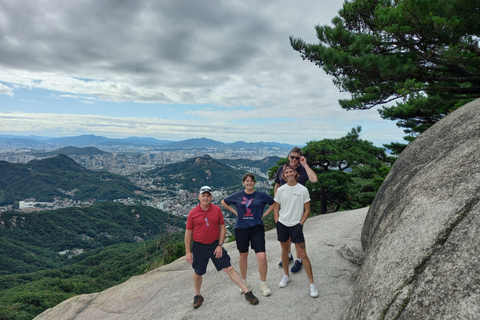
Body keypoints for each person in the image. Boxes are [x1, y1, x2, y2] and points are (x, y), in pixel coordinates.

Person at [185, 186, 259, 309]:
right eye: (203, 195)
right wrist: (188, 252)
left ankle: (247, 292)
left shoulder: (217, 209)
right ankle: (198, 295)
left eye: (208, 196)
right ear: (199, 197)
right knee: (198, 272)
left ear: (211, 197)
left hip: (215, 245)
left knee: (229, 268)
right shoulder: (193, 212)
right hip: (199, 246)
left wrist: (220, 245)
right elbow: (188, 232)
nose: (206, 198)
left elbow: (222, 227)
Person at [221, 173, 275, 297]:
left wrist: (265, 214)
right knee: (243, 255)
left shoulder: (261, 195)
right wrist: (235, 212)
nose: (249, 183)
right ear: (243, 182)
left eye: (251, 181)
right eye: (247, 181)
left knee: (262, 256)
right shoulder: (238, 195)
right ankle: (244, 281)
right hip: (241, 228)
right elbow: (224, 202)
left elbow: (273, 203)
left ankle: (263, 283)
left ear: (254, 182)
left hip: (257, 228)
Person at [274, 165, 319, 298]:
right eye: (286, 172)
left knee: (303, 254)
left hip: (296, 225)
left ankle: (312, 283)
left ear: (295, 173)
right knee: (284, 250)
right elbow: (276, 207)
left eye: (291, 172)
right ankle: (286, 275)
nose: (289, 174)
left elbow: (307, 210)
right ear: (284, 175)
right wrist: (277, 222)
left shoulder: (303, 189)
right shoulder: (281, 190)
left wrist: (300, 223)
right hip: (283, 224)